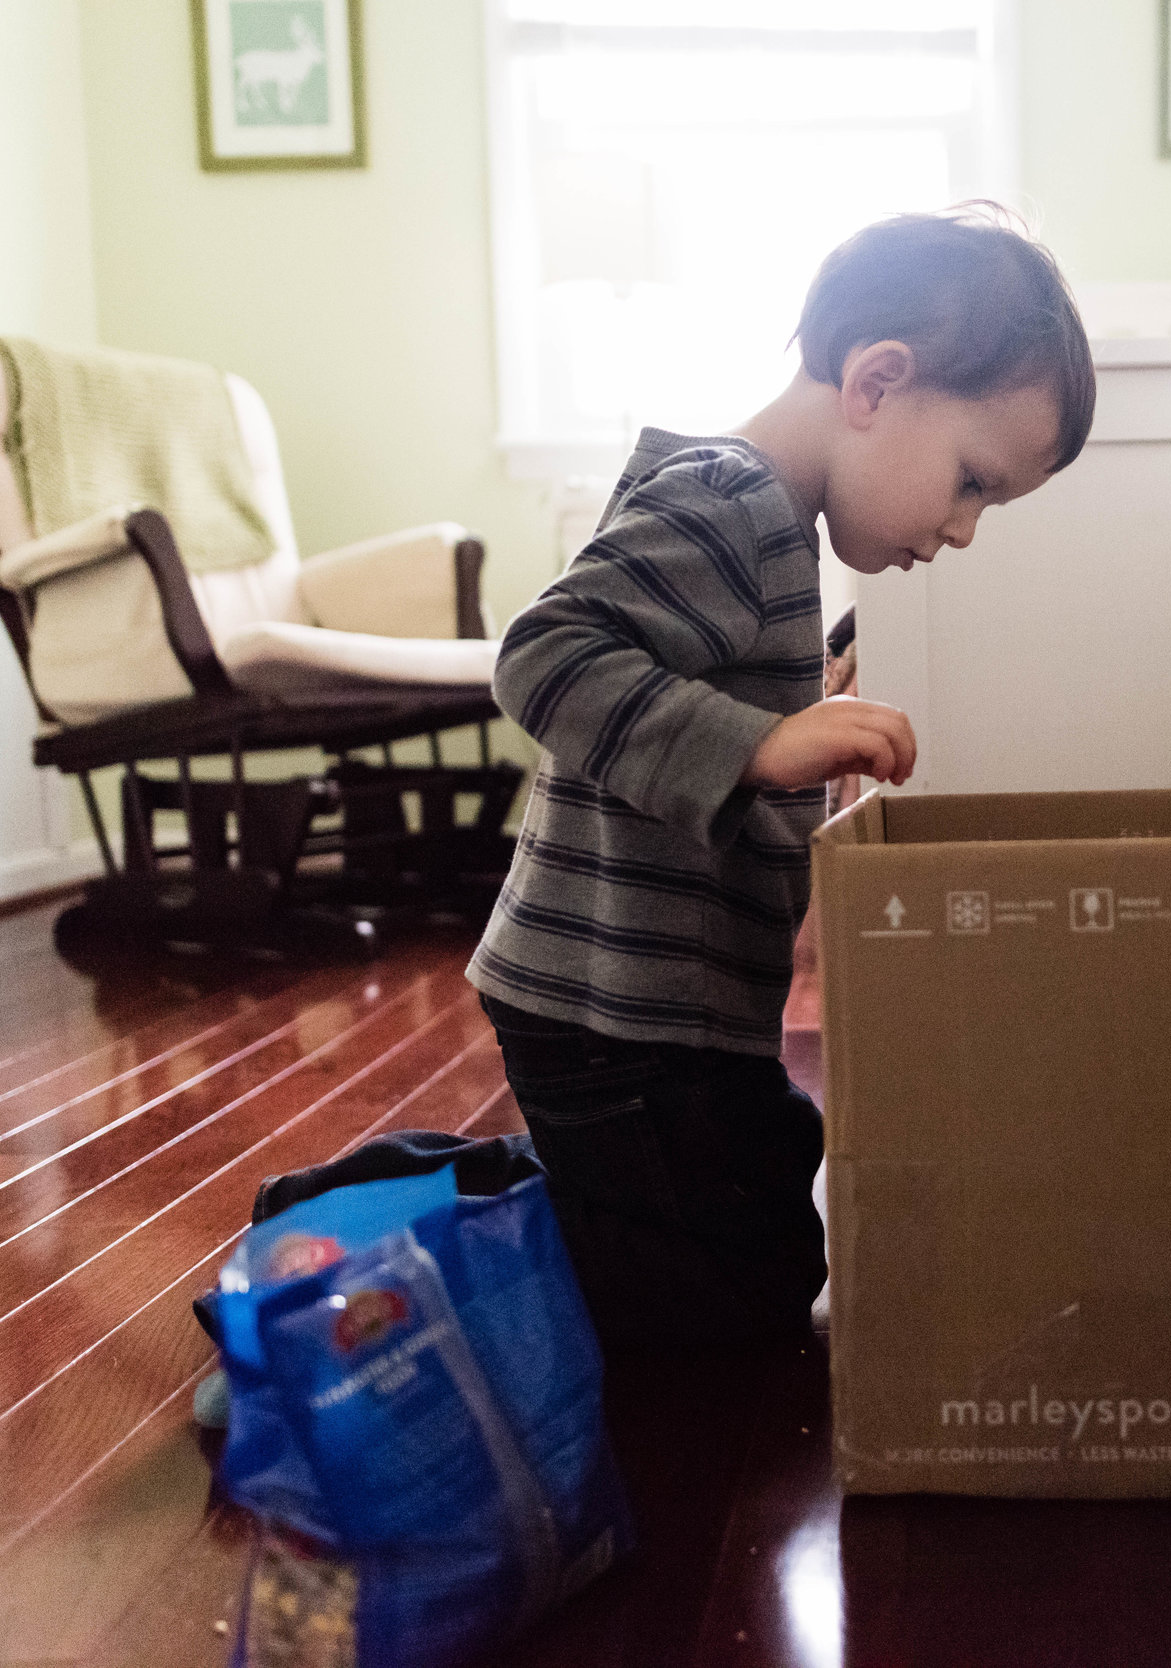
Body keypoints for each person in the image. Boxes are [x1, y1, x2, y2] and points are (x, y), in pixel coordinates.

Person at [468, 205, 1097, 1348]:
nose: (962, 530)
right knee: (721, 1309)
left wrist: (797, 700)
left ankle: (552, 1208)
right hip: (606, 1012)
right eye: (970, 482)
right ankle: (418, 1252)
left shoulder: (759, 521)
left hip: (663, 1013)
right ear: (875, 384)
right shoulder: (731, 504)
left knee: (767, 1213)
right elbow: (543, 656)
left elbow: (682, 661)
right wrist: (760, 744)